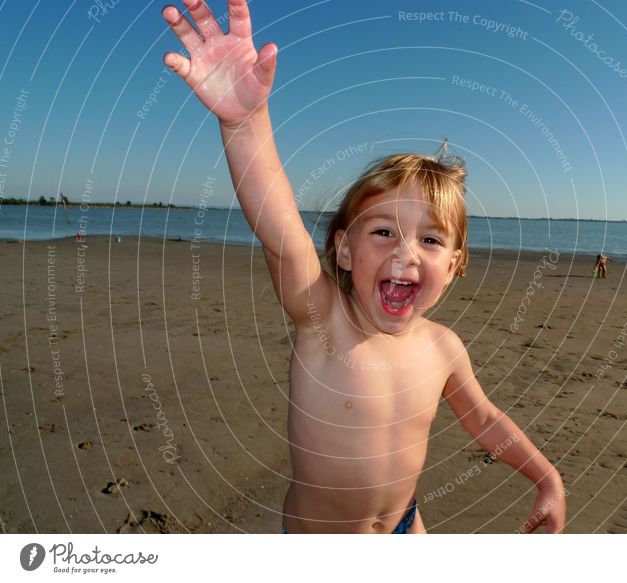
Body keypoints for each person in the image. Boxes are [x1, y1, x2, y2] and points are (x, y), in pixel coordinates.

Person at [161, 0, 565, 534]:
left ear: (456, 262)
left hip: (405, 528)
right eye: (383, 232)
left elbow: (487, 421)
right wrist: (245, 121)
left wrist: (546, 478)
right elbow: (280, 229)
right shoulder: (323, 317)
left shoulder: (443, 347)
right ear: (345, 250)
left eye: (430, 238)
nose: (406, 253)